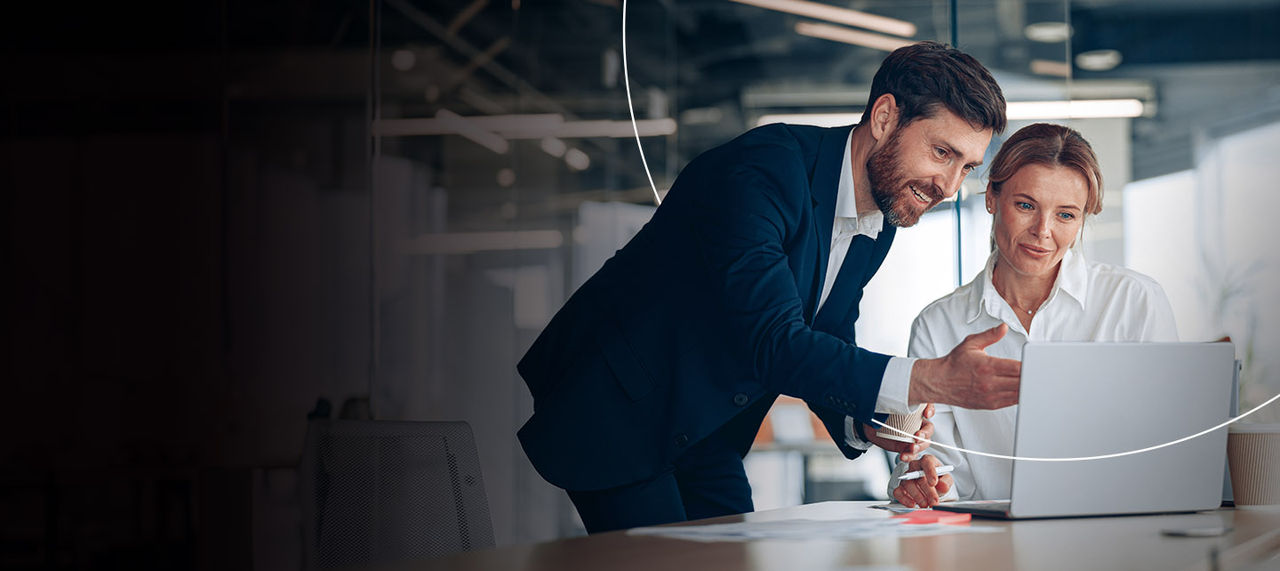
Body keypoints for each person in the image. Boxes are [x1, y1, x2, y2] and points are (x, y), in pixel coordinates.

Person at [518, 41, 1021, 534]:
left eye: (968, 167)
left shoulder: (880, 215)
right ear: (885, 117)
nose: (950, 186)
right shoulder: (763, 170)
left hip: (705, 427)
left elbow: (826, 330)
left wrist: (871, 422)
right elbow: (773, 340)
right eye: (941, 152)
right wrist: (927, 378)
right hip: (619, 407)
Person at [889, 123, 1179, 508]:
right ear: (992, 196)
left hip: (1116, 535)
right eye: (1026, 206)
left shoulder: (1134, 301)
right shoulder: (938, 326)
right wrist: (923, 478)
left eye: (1065, 215)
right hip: (991, 551)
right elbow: (934, 464)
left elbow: (1171, 445)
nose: (1043, 231)